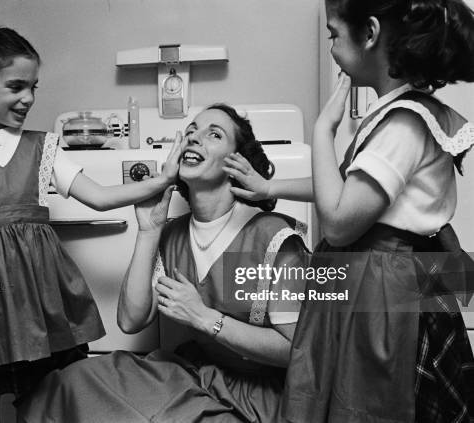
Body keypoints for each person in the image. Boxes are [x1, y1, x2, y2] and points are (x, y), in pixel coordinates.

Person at [0, 25, 184, 423]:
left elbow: (99, 196)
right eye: (15, 86)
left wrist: (162, 180)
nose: (27, 98)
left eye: (33, 87)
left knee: (50, 394)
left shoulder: (44, 147)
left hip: (42, 294)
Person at [224, 1, 474, 421]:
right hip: (371, 278)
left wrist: (323, 130)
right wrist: (269, 186)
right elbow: (344, 190)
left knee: (370, 401)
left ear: (370, 34)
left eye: (333, 34)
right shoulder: (396, 115)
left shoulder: (404, 125)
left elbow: (339, 222)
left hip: (385, 288)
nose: (332, 46)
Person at [16, 104, 309, 423]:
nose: (195, 138)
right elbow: (130, 320)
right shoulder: (173, 233)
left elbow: (295, 351)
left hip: (259, 397)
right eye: (192, 131)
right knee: (68, 385)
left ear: (237, 163)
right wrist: (148, 231)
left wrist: (204, 317)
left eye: (214, 134)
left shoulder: (270, 237)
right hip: (195, 376)